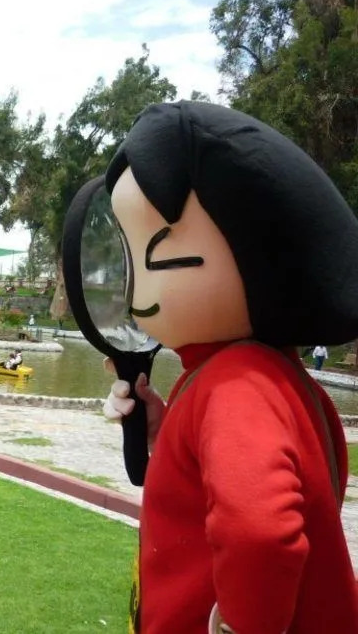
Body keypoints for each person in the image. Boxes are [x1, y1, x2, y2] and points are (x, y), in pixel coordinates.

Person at [99, 101, 358, 632]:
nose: (134, 285)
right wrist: (167, 436)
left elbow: (260, 531)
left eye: (155, 252)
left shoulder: (235, 385)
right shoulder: (278, 378)